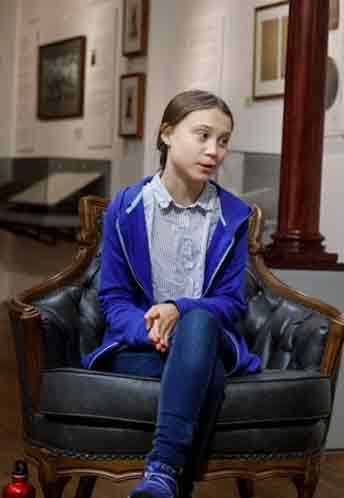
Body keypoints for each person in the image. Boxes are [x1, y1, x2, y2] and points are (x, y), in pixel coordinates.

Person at [82, 90, 261, 498]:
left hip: (207, 338)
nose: (213, 150)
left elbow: (231, 302)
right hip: (141, 347)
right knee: (206, 374)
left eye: (223, 141)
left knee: (198, 322)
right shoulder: (126, 208)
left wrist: (178, 310)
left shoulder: (234, 215)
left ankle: (162, 468)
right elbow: (114, 298)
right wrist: (153, 328)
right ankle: (170, 483)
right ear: (166, 133)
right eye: (203, 135)